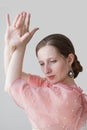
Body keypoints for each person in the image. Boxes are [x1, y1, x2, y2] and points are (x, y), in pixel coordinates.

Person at [4, 11, 87, 130]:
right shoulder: (53, 88)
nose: (46, 70)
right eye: (42, 63)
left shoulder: (64, 98)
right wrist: (10, 46)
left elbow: (11, 85)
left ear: (69, 59)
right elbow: (13, 76)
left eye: (53, 61)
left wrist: (21, 47)